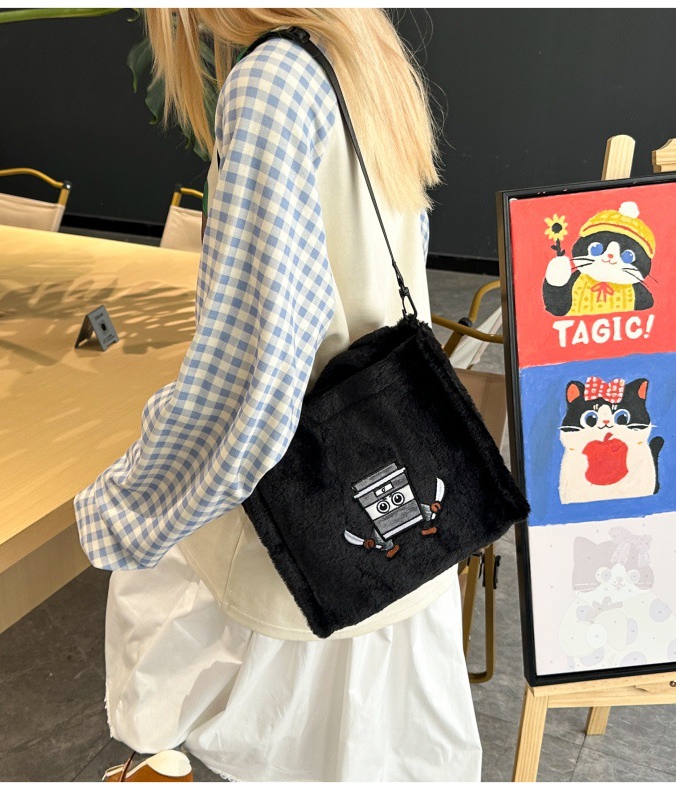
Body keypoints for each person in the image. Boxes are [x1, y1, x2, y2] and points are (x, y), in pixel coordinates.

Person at [74, 8, 482, 782]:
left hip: (299, 536)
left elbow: (255, 377)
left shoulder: (273, 82)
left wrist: (126, 504)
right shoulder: (365, 52)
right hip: (392, 502)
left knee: (201, 712)